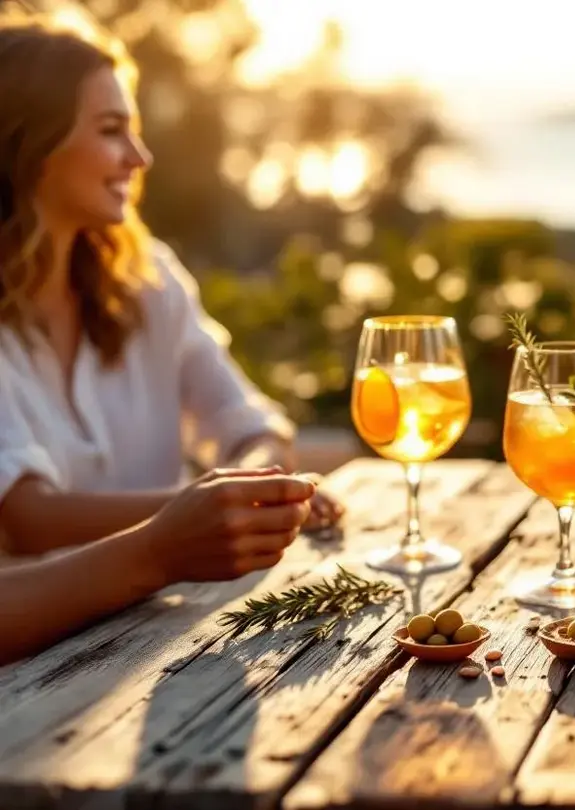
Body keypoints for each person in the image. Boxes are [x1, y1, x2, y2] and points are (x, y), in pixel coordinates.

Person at [0, 11, 341, 556]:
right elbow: (26, 518)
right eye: (111, 131)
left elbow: (250, 424)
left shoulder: (148, 278)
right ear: (29, 144)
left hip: (161, 627)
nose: (140, 157)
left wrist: (252, 489)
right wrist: (207, 507)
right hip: (45, 643)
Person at [0, 467, 315, 665]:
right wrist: (158, 546)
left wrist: (243, 489)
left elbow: (253, 424)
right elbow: (27, 519)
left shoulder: (164, 355)